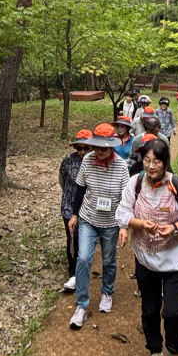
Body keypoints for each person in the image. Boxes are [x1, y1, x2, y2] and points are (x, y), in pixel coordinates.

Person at [116, 138, 178, 356]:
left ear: (165, 162)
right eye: (146, 160)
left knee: (173, 311)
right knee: (149, 308)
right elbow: (122, 212)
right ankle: (155, 352)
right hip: (145, 259)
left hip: (174, 259)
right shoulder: (135, 183)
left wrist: (174, 227)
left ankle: (175, 354)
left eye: (156, 161)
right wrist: (139, 224)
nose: (151, 166)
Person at [68, 124, 129, 329]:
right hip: (88, 218)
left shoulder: (121, 167)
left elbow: (126, 198)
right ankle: (81, 305)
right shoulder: (87, 160)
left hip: (111, 222)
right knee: (83, 258)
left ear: (111, 146)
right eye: (97, 147)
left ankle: (107, 292)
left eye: (104, 148)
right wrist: (74, 214)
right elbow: (80, 188)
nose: (99, 151)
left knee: (109, 260)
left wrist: (124, 225)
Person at [59, 130, 93, 291]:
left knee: (83, 237)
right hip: (69, 204)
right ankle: (73, 272)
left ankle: (83, 267)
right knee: (72, 236)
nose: (82, 151)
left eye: (86, 148)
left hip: (88, 206)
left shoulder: (95, 161)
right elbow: (61, 178)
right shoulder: (68, 160)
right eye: (79, 148)